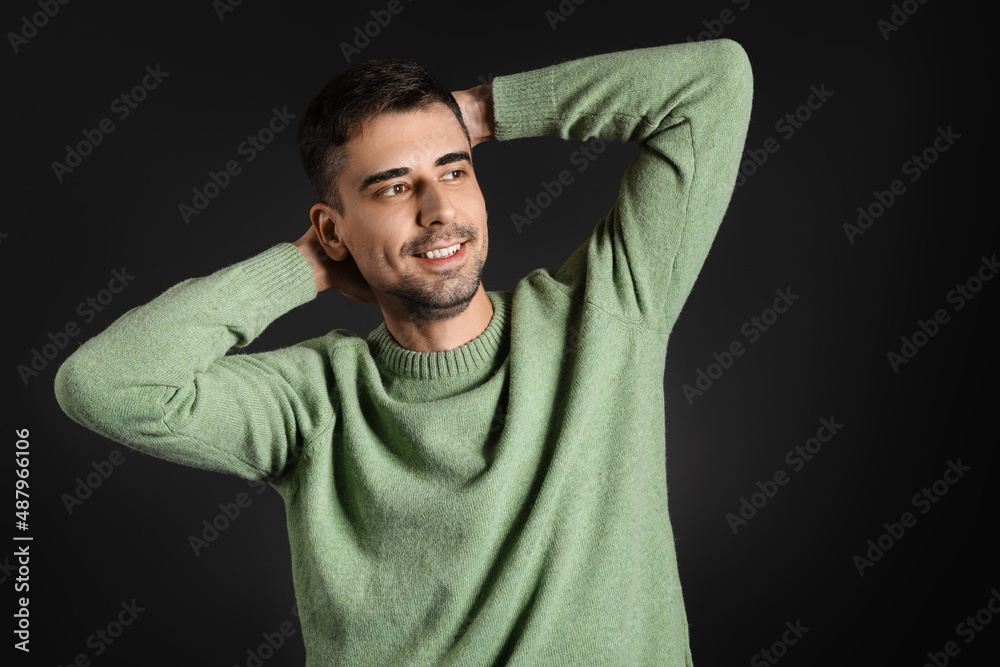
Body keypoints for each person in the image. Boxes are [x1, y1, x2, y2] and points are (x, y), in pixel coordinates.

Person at [55, 38, 753, 666]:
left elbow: (712, 82)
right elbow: (104, 383)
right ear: (332, 229)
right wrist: (305, 267)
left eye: (454, 171)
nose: (439, 208)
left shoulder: (604, 317)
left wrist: (477, 113)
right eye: (394, 186)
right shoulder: (314, 400)